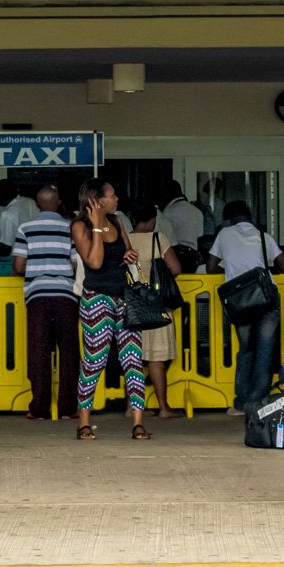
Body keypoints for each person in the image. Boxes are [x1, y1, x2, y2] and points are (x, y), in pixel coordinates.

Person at [70, 179, 149, 441]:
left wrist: (131, 259)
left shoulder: (117, 222)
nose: (117, 199)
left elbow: (128, 256)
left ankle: (137, 422)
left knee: (133, 362)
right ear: (98, 200)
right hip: (96, 299)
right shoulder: (80, 226)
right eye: (112, 195)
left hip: (125, 297)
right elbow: (94, 261)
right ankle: (84, 421)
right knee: (94, 361)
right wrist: (95, 226)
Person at [210, 200, 284, 413]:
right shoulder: (264, 237)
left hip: (241, 302)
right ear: (250, 216)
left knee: (246, 350)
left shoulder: (224, 235)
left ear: (229, 218)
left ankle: (240, 403)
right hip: (266, 300)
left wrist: (233, 271)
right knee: (265, 351)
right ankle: (258, 402)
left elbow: (210, 267)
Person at [13, 185, 80, 422]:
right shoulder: (70, 228)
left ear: (38, 204)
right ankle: (68, 408)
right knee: (69, 352)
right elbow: (75, 264)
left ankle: (39, 408)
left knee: (39, 351)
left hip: (37, 296)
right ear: (59, 201)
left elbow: (19, 266)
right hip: (66, 296)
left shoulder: (26, 229)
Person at [127, 201, 182, 418]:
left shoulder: (125, 240)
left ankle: (130, 408)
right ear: (152, 220)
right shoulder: (158, 239)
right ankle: (163, 407)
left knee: (132, 358)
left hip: (131, 306)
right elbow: (175, 269)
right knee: (156, 360)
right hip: (156, 306)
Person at [161, 180, 206, 271]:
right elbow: (200, 235)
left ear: (167, 194)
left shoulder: (168, 211)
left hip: (175, 257)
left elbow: (165, 238)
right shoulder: (197, 211)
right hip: (193, 258)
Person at [0, 177, 37, 254]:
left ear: (2, 195)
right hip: (34, 254)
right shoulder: (30, 202)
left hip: (17, 259)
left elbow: (6, 248)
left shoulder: (7, 214)